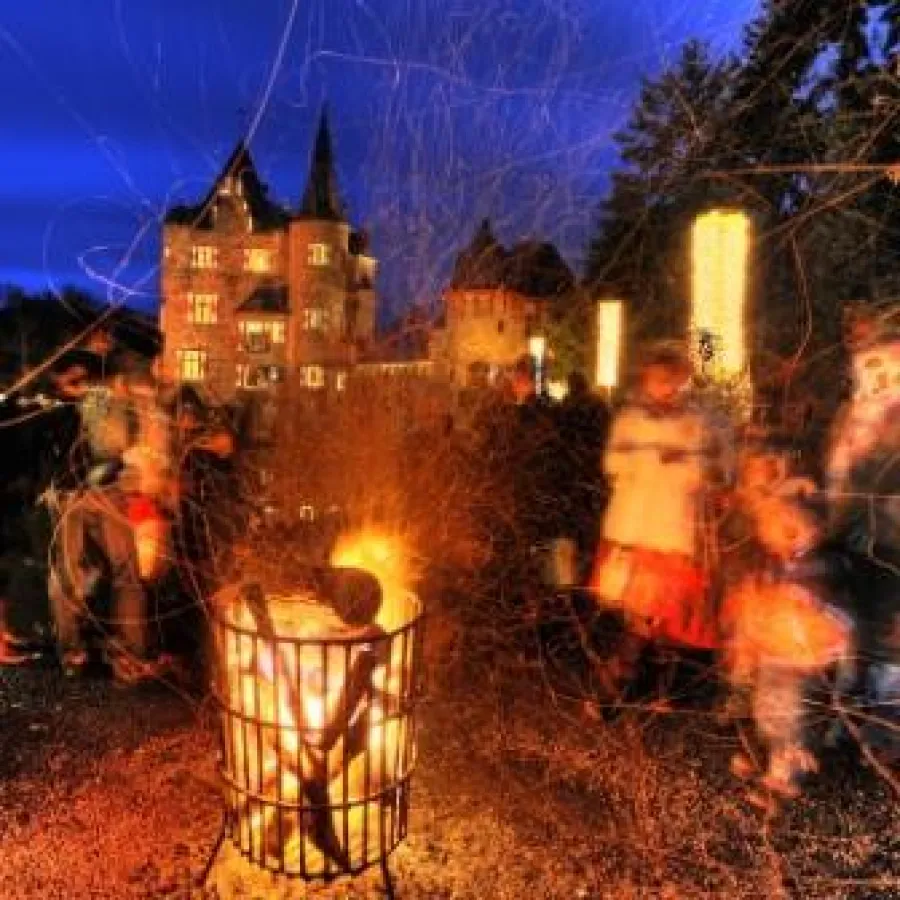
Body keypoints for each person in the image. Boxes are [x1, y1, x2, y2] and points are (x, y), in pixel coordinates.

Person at [590, 342, 730, 693]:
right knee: (638, 613)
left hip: (671, 531)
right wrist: (647, 462)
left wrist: (685, 466)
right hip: (633, 529)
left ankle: (651, 684)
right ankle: (624, 680)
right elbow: (612, 463)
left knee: (664, 614)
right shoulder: (630, 418)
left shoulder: (694, 421)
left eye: (671, 380)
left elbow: (708, 467)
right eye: (657, 380)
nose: (664, 387)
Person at [825, 307, 900, 763]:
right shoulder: (855, 419)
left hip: (892, 546)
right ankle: (848, 720)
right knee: (855, 629)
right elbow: (839, 475)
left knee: (891, 636)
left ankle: (885, 729)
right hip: (858, 541)